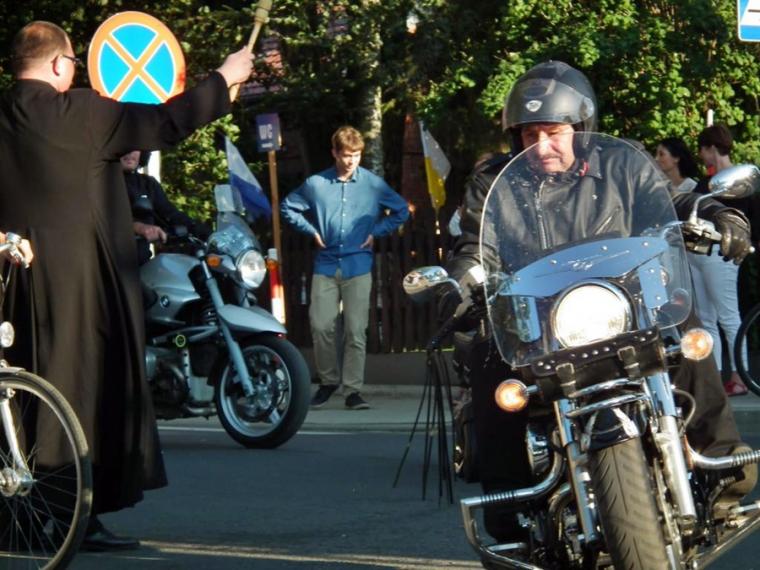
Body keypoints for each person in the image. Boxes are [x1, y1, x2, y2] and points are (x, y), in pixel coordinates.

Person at [444, 60, 756, 543]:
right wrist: (460, 279)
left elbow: (668, 201)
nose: (541, 146)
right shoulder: (494, 181)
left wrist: (714, 212)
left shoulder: (623, 163)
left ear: (581, 128)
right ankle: (509, 506)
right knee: (490, 360)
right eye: (530, 134)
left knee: (686, 331)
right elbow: (474, 240)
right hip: (542, 323)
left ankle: (723, 462)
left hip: (623, 307)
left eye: (554, 132)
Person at [0, 21, 253, 550]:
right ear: (58, 64)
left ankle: (16, 513)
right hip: (82, 282)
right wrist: (225, 78)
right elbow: (165, 121)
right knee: (83, 391)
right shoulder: (83, 114)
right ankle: (74, 515)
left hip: (13, 279)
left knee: (17, 392)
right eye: (73, 63)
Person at [281, 126, 409, 410]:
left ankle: (352, 391)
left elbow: (401, 210)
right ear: (335, 153)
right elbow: (288, 207)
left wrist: (377, 231)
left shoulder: (373, 184)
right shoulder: (316, 184)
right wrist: (311, 231)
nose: (352, 161)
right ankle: (328, 381)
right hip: (325, 264)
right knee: (320, 325)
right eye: (347, 155)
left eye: (357, 155)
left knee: (356, 330)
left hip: (358, 263)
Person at [690, 125, 752, 396]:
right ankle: (715, 379)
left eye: (703, 150)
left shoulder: (740, 182)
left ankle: (740, 376)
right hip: (700, 253)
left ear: (711, 148)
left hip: (722, 254)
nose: (701, 156)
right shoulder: (707, 184)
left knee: (728, 317)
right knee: (707, 318)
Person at [121, 150, 212, 265]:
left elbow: (170, 213)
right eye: (124, 148)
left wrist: (205, 231)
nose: (130, 153)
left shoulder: (148, 183)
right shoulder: (102, 184)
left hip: (140, 263)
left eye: (135, 148)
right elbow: (105, 219)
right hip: (110, 264)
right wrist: (138, 227)